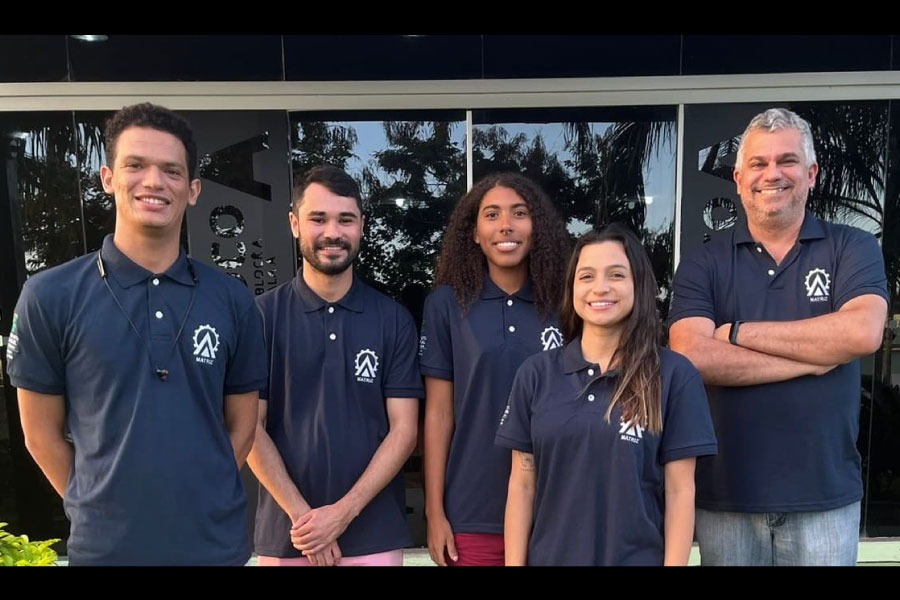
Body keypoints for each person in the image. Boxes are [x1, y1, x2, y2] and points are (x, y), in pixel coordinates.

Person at [6, 102, 267, 566]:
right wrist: (98, 503)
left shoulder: (232, 300)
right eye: (136, 165)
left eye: (171, 170)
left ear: (193, 190)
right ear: (108, 178)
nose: (153, 182)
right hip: (107, 551)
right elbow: (40, 436)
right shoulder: (49, 296)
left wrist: (204, 494)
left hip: (215, 548)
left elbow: (243, 426)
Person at [668, 107, 889, 566]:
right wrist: (815, 356)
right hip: (727, 497)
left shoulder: (853, 246)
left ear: (811, 174)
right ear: (738, 177)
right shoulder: (703, 263)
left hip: (825, 498)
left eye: (787, 161)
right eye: (759, 163)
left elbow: (862, 332)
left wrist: (739, 332)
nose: (773, 174)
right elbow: (691, 354)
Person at [496, 224, 718, 566]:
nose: (600, 288)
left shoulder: (673, 375)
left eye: (616, 274)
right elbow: (522, 484)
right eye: (586, 276)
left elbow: (680, 492)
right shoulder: (536, 374)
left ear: (638, 284)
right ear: (572, 287)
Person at [249, 164, 423, 567]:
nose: (332, 233)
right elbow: (248, 429)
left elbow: (404, 430)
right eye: (318, 218)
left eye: (345, 219)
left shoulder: (392, 319)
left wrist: (342, 513)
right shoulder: (259, 317)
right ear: (294, 224)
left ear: (361, 226)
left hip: (373, 531)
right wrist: (306, 520)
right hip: (288, 532)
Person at [418, 172, 570, 566]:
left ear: (537, 227)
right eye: (492, 215)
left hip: (553, 508)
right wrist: (434, 512)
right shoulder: (447, 306)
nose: (506, 225)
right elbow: (438, 414)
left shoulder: (566, 305)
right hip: (471, 509)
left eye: (520, 213)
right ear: (473, 232)